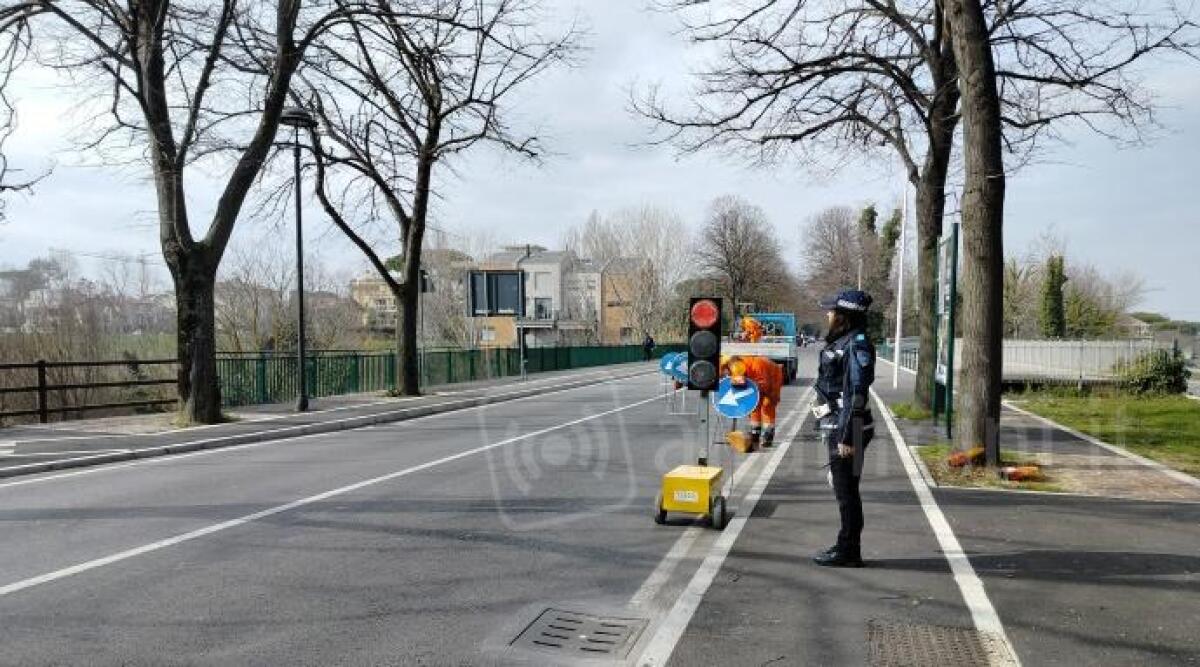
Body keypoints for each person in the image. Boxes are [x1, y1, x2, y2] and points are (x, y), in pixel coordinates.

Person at [812, 289, 876, 568]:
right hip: (839, 424)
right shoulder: (845, 340)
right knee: (844, 490)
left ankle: (849, 550)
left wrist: (848, 435)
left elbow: (856, 393)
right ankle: (847, 545)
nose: (828, 314)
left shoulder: (856, 344)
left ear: (844, 315)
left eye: (831, 311)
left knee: (847, 493)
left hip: (849, 428)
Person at [721, 353, 783, 449]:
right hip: (755, 378)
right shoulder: (734, 366)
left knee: (768, 404)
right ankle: (755, 433)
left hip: (773, 376)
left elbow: (764, 385)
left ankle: (768, 434)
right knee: (754, 405)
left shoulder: (757, 366)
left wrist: (751, 389)